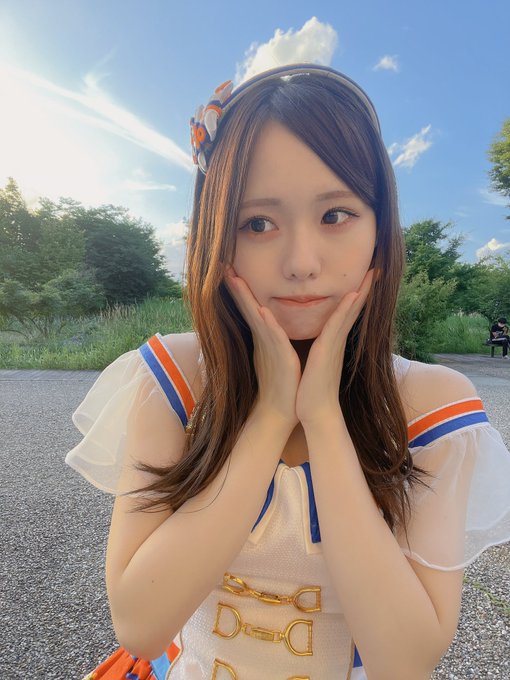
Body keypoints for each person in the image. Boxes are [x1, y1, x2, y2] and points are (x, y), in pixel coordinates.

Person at [66, 64, 510, 680]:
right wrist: (272, 414)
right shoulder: (174, 378)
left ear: (380, 227)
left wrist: (322, 418)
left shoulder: (429, 404)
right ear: (218, 237)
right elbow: (141, 625)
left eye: (336, 215)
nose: (301, 262)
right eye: (258, 223)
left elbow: (405, 663)